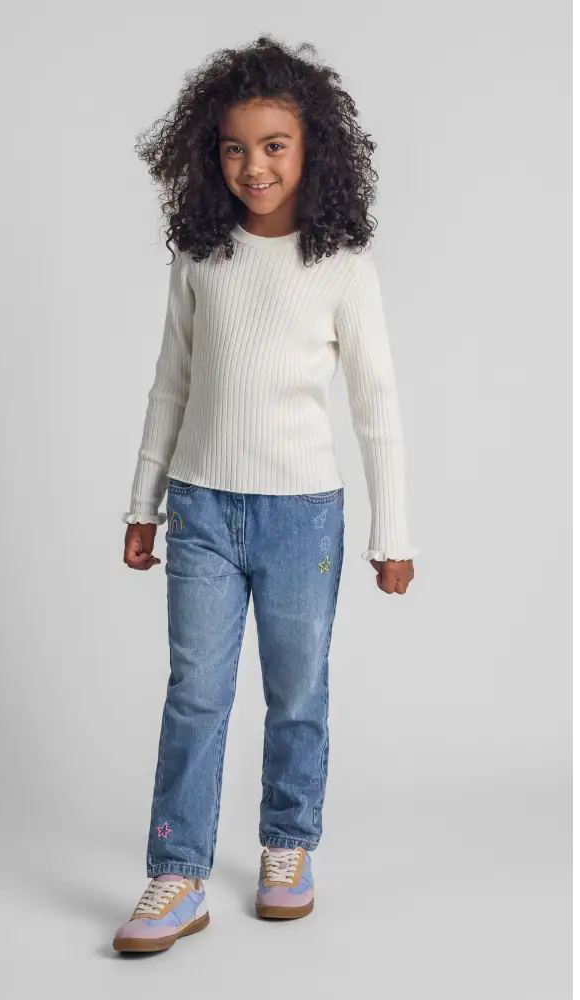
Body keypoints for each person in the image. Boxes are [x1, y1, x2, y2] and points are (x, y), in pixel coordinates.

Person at [112, 35, 417, 954]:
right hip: (202, 510)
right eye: (236, 146)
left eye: (275, 144)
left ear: (311, 147)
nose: (254, 164)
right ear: (212, 153)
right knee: (195, 695)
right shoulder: (201, 261)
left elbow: (378, 410)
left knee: (297, 694)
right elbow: (171, 385)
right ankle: (176, 873)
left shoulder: (343, 268)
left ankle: (288, 846)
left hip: (304, 519)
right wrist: (143, 504)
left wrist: (390, 533)